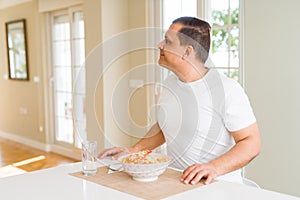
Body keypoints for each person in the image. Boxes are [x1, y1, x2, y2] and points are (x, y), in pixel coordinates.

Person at [98, 16, 261, 185]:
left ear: (187, 51)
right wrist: (134, 151)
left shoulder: (227, 89)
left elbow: (251, 142)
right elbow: (166, 126)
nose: (160, 45)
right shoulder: (169, 84)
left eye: (167, 41)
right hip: (177, 184)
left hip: (218, 187)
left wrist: (213, 168)